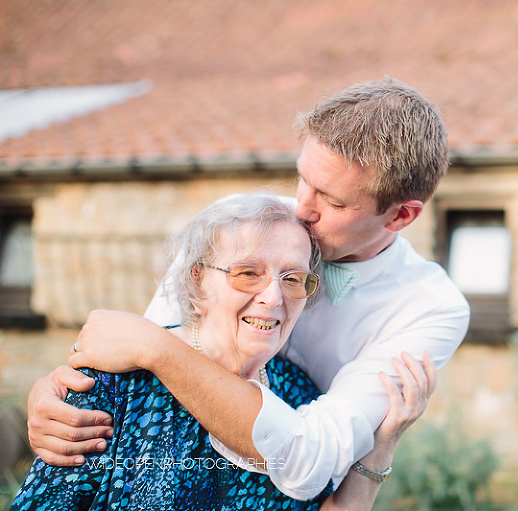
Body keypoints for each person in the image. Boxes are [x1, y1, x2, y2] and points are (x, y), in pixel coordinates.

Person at [26, 77, 470, 499]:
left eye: (333, 201)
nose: (301, 208)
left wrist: (155, 348)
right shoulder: (240, 223)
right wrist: (60, 394)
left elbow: (307, 459)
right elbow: (137, 375)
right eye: (303, 180)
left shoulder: (431, 308)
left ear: (401, 216)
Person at [12, 192, 434, 511]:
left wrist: (382, 442)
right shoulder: (116, 382)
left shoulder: (299, 393)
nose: (273, 297)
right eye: (248, 273)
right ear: (198, 280)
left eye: (293, 279)